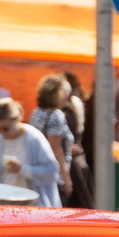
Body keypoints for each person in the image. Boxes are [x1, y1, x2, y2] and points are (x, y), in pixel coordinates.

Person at [0, 99, 62, 206]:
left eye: (6, 129)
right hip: (0, 205)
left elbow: (52, 172)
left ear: (18, 119)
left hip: (31, 207)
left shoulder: (34, 138)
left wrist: (22, 169)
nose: (2, 133)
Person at [32, 74, 87, 207]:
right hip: (54, 177)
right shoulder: (56, 115)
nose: (67, 99)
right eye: (64, 94)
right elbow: (55, 148)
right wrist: (66, 178)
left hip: (38, 171)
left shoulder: (37, 112)